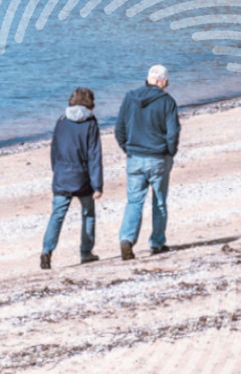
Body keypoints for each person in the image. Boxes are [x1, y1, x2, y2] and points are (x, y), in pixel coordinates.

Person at [115, 64, 180, 260]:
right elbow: (173, 133)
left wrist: (128, 148)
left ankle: (127, 239)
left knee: (134, 201)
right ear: (160, 81)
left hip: (135, 157)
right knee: (159, 202)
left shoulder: (130, 97)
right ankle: (157, 243)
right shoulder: (167, 102)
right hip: (158, 157)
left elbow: (119, 129)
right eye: (166, 81)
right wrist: (170, 153)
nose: (167, 84)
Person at [40, 87, 103, 269]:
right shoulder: (90, 123)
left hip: (62, 176)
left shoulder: (61, 121)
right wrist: (98, 185)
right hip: (83, 177)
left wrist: (56, 171)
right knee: (88, 214)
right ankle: (86, 252)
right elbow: (94, 156)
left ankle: (46, 251)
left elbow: (54, 150)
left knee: (57, 216)